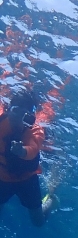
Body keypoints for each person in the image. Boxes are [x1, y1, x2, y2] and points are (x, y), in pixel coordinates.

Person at [0, 86, 57, 226]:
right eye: (15, 111)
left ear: (30, 116)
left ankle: (51, 201)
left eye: (24, 115)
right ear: (8, 109)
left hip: (27, 180)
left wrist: (22, 151)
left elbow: (33, 148)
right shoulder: (1, 121)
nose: (17, 118)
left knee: (38, 223)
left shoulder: (35, 130)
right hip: (3, 178)